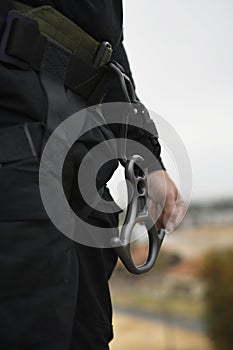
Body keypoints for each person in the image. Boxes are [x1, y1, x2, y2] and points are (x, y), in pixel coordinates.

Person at [0, 0, 185, 349]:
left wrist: (146, 154)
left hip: (85, 167)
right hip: (18, 146)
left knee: (87, 334)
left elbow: (108, 56)